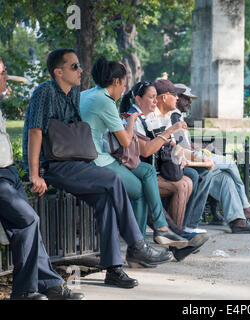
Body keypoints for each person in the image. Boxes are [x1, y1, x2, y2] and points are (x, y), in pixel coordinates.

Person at [22, 49, 173, 289]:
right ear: (58, 72)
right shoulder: (44, 92)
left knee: (106, 198)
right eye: (74, 67)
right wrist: (34, 174)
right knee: (113, 179)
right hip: (53, 164)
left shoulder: (73, 94)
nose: (81, 70)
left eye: (79, 66)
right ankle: (137, 245)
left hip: (74, 161)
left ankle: (113, 270)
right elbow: (34, 132)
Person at [80, 57, 187, 250]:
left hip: (95, 154)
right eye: (124, 82)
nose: (125, 88)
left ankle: (158, 230)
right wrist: (131, 121)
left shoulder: (87, 94)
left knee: (147, 172)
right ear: (115, 81)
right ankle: (139, 247)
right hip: (97, 159)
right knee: (140, 190)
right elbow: (126, 141)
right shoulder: (106, 102)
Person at [0, 57, 84, 300]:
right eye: (3, 73)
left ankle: (48, 283)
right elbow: (35, 130)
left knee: (30, 226)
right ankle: (24, 291)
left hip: (9, 172)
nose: (6, 77)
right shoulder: (45, 92)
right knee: (28, 220)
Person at [150, 79, 250, 234]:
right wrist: (199, 154)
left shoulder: (176, 117)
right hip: (181, 163)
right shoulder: (172, 116)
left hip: (187, 158)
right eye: (185, 98)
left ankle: (238, 221)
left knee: (225, 178)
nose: (188, 102)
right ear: (171, 97)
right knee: (229, 163)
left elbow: (180, 144)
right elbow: (175, 147)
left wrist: (199, 148)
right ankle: (245, 207)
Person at [119, 80, 209, 261]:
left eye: (155, 97)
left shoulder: (147, 118)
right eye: (151, 97)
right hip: (132, 174)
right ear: (138, 99)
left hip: (146, 172)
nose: (154, 102)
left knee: (186, 181)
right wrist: (169, 133)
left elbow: (163, 147)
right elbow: (146, 150)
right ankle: (176, 240)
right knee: (181, 185)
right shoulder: (132, 117)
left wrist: (175, 148)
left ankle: (177, 240)